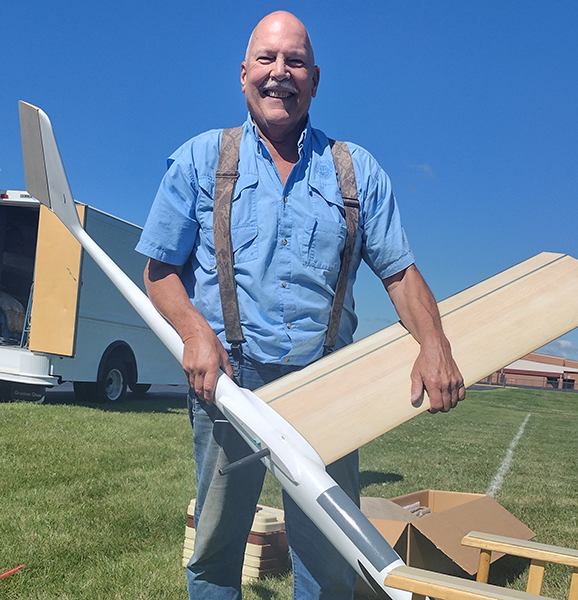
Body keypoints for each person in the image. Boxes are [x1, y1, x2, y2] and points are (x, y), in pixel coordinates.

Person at [136, 10, 465, 600]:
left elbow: (400, 273)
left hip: (327, 386)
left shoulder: (355, 169)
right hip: (230, 385)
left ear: (315, 78)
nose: (278, 73)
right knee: (215, 549)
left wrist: (435, 343)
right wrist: (194, 331)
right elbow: (160, 270)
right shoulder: (201, 160)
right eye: (266, 59)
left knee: (330, 556)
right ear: (243, 74)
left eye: (294, 62)